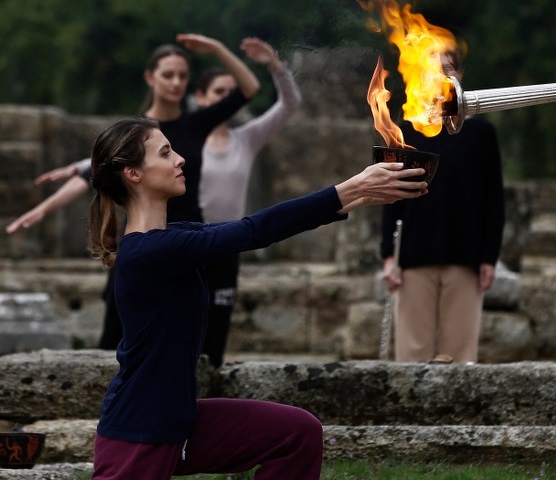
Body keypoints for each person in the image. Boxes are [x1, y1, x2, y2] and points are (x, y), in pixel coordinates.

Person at [87, 116, 427, 479]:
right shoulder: (150, 251)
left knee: (296, 434)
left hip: (178, 420)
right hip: (139, 432)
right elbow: (254, 231)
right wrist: (348, 187)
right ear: (133, 174)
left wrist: (359, 196)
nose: (180, 159)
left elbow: (253, 226)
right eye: (165, 153)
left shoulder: (174, 238)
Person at [12, 34, 261, 350]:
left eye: (183, 76)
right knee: (119, 334)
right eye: (168, 75)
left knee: (196, 335)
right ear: (150, 77)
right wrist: (45, 208)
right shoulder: (137, 132)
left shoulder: (198, 123)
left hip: (187, 236)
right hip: (144, 237)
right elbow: (96, 173)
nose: (176, 82)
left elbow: (250, 88)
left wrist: (216, 49)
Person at [380, 50, 505, 364]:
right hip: (413, 257)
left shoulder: (481, 134)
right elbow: (390, 196)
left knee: (460, 358)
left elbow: (493, 199)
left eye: (447, 69)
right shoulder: (405, 131)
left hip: (465, 257)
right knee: (411, 355)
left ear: (459, 76)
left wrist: (489, 256)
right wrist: (387, 257)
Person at [194, 37, 303, 367]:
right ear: (201, 98)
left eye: (231, 92)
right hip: (189, 242)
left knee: (218, 326)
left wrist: (275, 67)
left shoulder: (246, 138)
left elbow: (289, 105)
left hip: (228, 243)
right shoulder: (183, 139)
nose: (226, 99)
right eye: (217, 92)